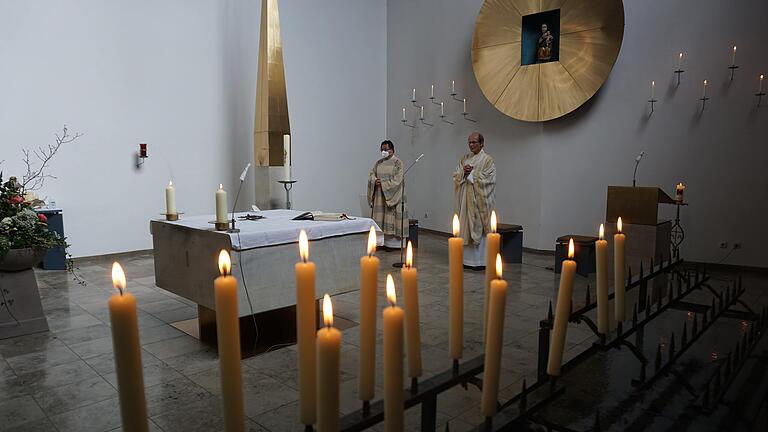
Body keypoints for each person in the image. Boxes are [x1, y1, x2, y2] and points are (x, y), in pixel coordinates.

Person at [452, 132, 496, 269]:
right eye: (469, 142)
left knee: (478, 226)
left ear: (482, 143)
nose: (471, 145)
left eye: (474, 142)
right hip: (465, 200)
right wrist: (463, 173)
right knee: (465, 226)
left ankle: (480, 262)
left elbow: (490, 180)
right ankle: (467, 261)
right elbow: (456, 175)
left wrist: (472, 174)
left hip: (478, 201)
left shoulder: (487, 160)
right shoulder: (464, 158)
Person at [367, 140, 408, 250]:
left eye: (386, 149)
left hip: (393, 196)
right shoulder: (378, 163)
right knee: (380, 218)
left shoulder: (398, 163)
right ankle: (380, 243)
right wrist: (375, 181)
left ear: (392, 150)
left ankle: (393, 244)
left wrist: (384, 184)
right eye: (382, 150)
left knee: (391, 218)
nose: (384, 152)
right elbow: (371, 174)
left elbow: (398, 180)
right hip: (380, 196)